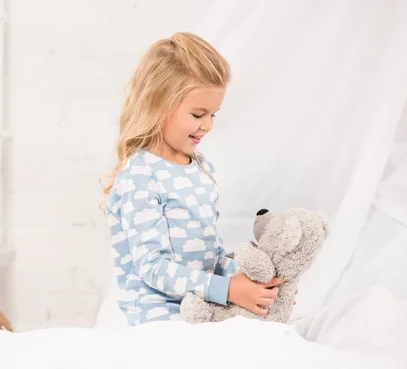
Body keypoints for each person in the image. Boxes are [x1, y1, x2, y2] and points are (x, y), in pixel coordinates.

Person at [101, 32, 284, 326]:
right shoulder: (140, 177)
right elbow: (154, 268)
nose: (208, 125)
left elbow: (211, 254)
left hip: (205, 305)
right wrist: (227, 290)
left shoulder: (199, 168)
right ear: (158, 104)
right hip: (159, 318)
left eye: (214, 114)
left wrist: (253, 284)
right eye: (199, 114)